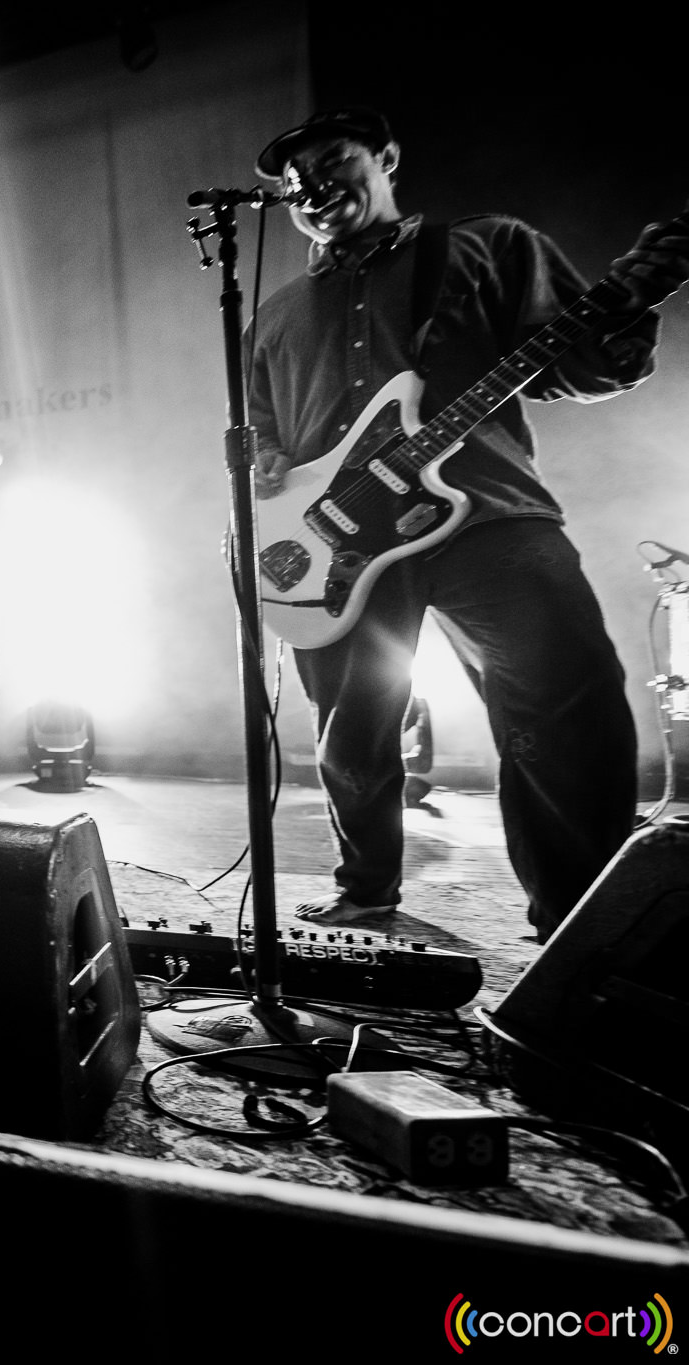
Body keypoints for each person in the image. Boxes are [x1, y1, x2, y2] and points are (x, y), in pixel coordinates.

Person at [248, 107, 689, 935]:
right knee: (351, 735)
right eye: (292, 182)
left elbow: (583, 367)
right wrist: (267, 465)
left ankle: (581, 918)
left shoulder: (486, 247)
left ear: (385, 156)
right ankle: (366, 886)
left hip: (484, 511)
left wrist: (631, 299)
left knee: (565, 704)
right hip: (338, 546)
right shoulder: (269, 317)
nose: (312, 186)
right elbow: (262, 431)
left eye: (333, 159)